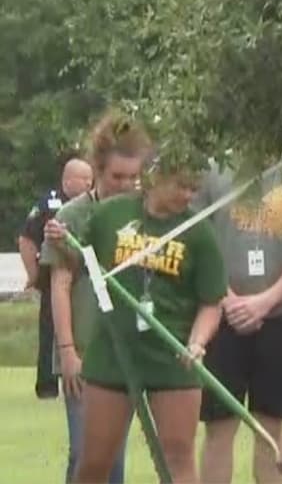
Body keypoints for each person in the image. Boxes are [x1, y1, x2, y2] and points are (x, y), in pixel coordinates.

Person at [68, 161, 228, 484]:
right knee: (94, 462)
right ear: (156, 177)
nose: (188, 195)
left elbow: (212, 303)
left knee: (178, 459)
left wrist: (197, 342)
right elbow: (76, 260)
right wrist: (60, 240)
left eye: (193, 188)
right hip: (113, 353)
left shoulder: (199, 232)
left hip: (173, 356)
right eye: (181, 185)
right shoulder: (110, 215)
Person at [41, 114, 150, 484]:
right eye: (117, 176)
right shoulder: (72, 216)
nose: (126, 185)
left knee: (112, 454)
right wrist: (68, 351)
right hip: (85, 352)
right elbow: (60, 284)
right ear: (98, 170)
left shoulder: (143, 215)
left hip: (127, 352)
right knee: (87, 453)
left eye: (133, 177)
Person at [196, 160, 282, 484]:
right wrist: (227, 298)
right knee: (219, 426)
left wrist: (266, 301)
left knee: (270, 427)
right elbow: (196, 240)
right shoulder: (212, 172)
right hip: (221, 319)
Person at [19, 157, 94, 399]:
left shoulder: (94, 205)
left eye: (90, 179)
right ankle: (47, 386)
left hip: (83, 280)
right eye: (83, 179)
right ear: (67, 180)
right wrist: (33, 275)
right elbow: (26, 239)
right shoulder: (50, 203)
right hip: (54, 275)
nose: (89, 183)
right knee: (51, 329)